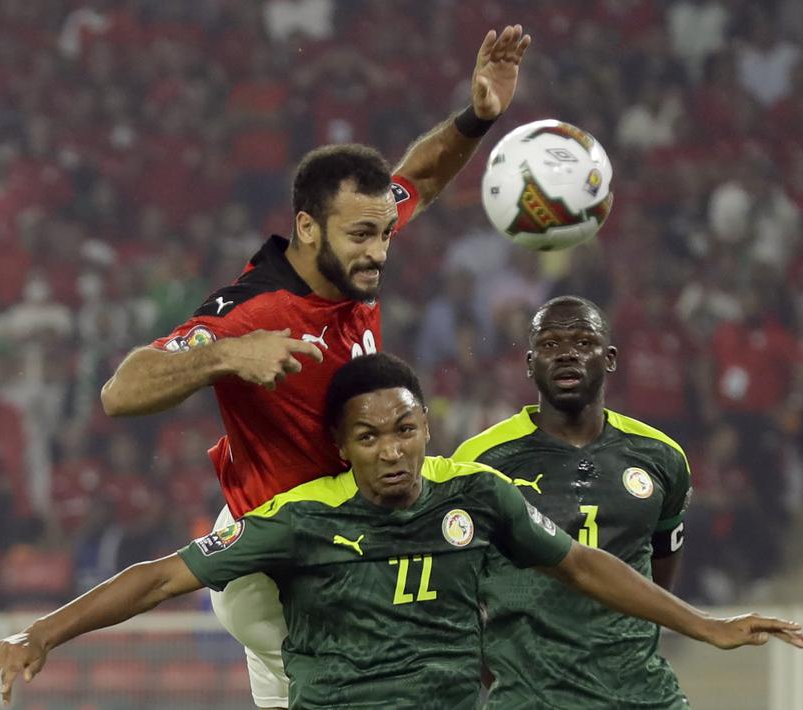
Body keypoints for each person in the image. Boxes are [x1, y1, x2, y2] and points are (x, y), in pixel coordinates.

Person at [96, 25, 531, 709]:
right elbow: (121, 392)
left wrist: (477, 117)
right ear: (306, 228)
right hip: (278, 568)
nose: (379, 252)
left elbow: (415, 177)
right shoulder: (251, 310)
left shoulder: (355, 250)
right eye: (362, 235)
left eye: (385, 233)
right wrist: (229, 355)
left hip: (338, 548)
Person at [0, 354, 803, 708]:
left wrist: (705, 624)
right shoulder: (302, 519)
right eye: (369, 438)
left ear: (425, 427)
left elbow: (582, 564)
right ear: (341, 447)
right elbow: (162, 575)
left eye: (405, 430)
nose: (392, 452)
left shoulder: (475, 495)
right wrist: (43, 631)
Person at [452, 296, 694, 708]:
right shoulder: (479, 462)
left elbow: (660, 572)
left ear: (610, 358)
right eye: (549, 344)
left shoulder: (662, 457)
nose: (566, 353)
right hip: (530, 697)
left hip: (642, 695)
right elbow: (454, 587)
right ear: (529, 364)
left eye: (584, 342)